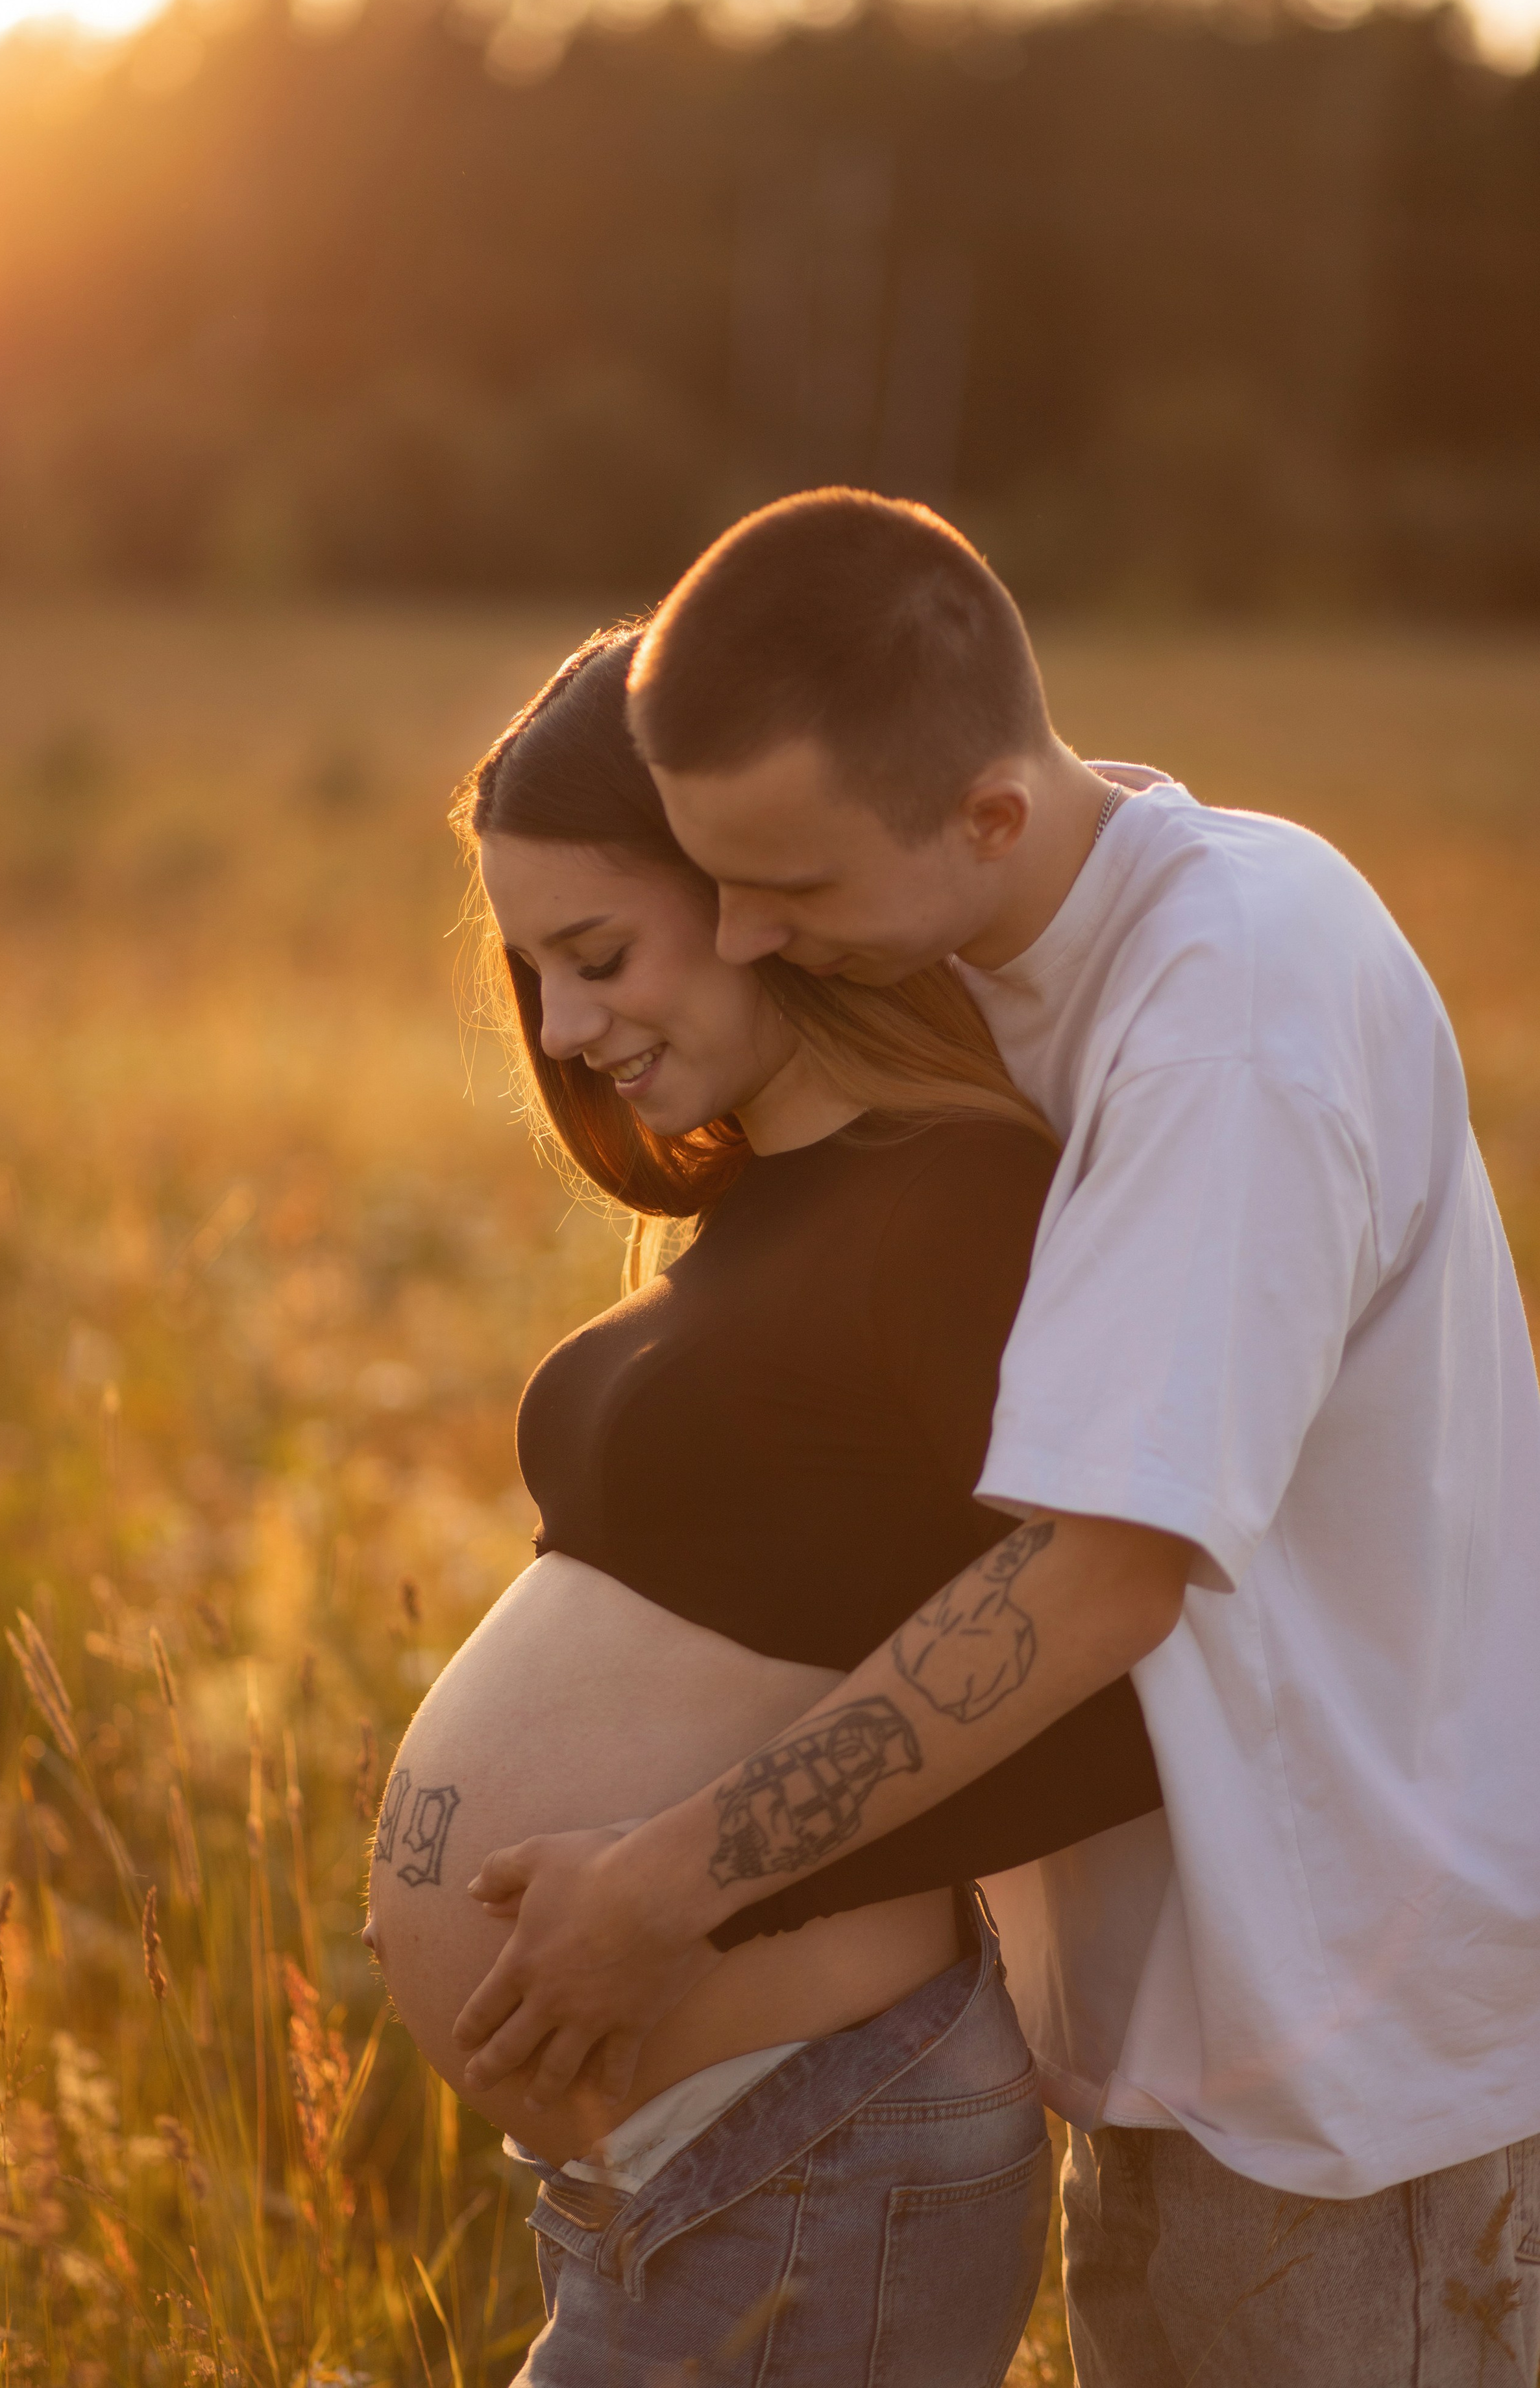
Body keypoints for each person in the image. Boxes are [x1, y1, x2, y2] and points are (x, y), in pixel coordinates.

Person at [452, 493, 1540, 2388]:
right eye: (714, 883)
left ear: (988, 822)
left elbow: (1101, 1577)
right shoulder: (985, 962)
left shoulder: (1231, 1010)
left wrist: (668, 1889)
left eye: (787, 892)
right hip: (1182, 2042)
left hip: (1360, 2085)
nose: (746, 933)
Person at [364, 624, 1164, 2387]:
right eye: (533, 975)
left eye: (596, 956)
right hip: (710, 2166)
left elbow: (1112, 1671)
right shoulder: (765, 1211)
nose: (565, 1031)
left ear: (750, 889)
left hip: (817, 2143)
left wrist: (688, 1888)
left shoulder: (961, 1198)